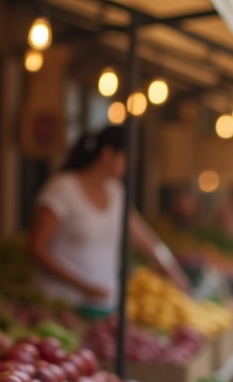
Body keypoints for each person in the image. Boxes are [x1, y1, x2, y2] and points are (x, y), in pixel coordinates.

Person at [28, 126, 189, 318]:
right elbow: (36, 248)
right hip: (60, 308)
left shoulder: (117, 193)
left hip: (104, 307)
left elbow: (146, 239)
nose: (132, 166)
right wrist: (83, 286)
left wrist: (173, 271)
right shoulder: (62, 190)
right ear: (107, 154)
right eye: (127, 158)